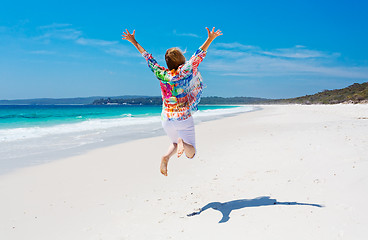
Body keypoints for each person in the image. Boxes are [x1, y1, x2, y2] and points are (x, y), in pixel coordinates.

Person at [122, 27, 222, 176]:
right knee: (191, 152)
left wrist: (133, 41)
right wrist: (210, 39)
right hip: (182, 117)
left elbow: (148, 58)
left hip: (166, 118)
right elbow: (198, 55)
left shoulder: (161, 73)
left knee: (174, 143)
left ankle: (166, 157)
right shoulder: (185, 70)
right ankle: (182, 143)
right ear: (180, 59)